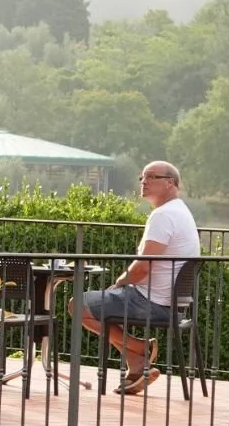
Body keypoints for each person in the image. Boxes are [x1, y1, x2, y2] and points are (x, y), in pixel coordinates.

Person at [78, 160, 200, 395]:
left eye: (151, 177)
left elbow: (142, 267)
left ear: (170, 183)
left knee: (79, 305)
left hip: (152, 303)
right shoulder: (180, 211)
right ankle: (136, 363)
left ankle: (139, 348)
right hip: (170, 304)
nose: (144, 182)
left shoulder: (164, 215)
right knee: (99, 305)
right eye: (142, 177)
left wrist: (118, 283)